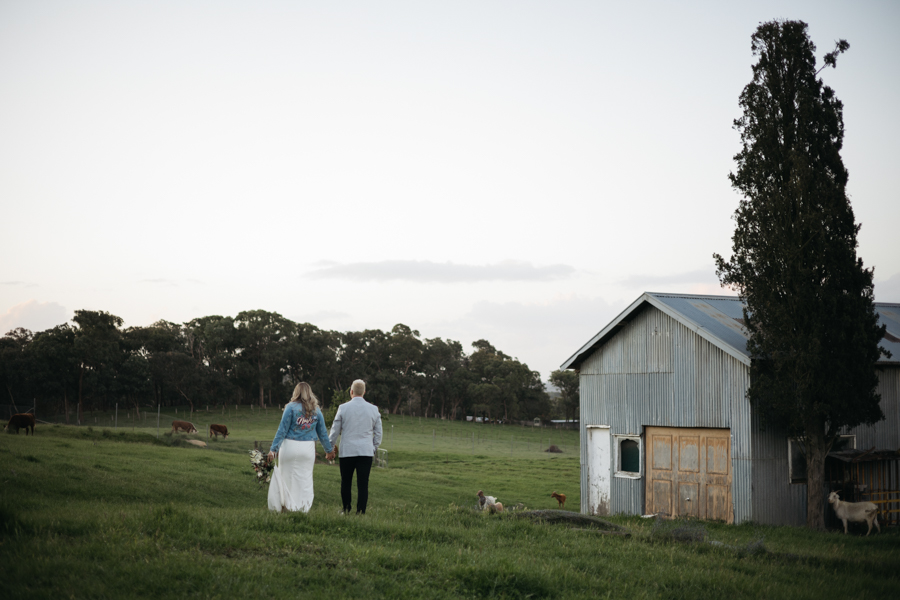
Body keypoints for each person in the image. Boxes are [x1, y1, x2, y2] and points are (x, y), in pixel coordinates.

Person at [267, 382, 336, 513]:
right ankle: (302, 507)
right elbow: (322, 433)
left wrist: (273, 450)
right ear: (310, 393)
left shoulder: (290, 407)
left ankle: (286, 506)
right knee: (304, 479)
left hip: (289, 446)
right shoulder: (316, 410)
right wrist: (329, 450)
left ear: (296, 392)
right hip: (307, 448)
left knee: (286, 478)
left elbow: (281, 430)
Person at [329, 379, 383, 514]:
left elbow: (335, 430)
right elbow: (379, 433)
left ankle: (346, 509)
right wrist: (373, 447)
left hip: (347, 451)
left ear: (351, 392)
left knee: (346, 482)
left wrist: (330, 447)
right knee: (363, 484)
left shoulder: (343, 408)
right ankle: (361, 511)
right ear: (364, 392)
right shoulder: (374, 409)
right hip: (366, 451)